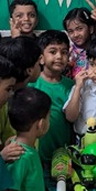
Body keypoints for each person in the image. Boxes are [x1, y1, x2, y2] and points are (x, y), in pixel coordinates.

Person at [30, 30, 75, 164]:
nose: (59, 56)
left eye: (64, 52)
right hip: (36, 153)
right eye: (53, 52)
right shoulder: (32, 84)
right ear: (41, 58)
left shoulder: (71, 86)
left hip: (63, 155)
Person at [63, 8, 96, 78]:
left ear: (91, 29)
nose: (75, 35)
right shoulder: (68, 53)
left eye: (79, 29)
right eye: (71, 31)